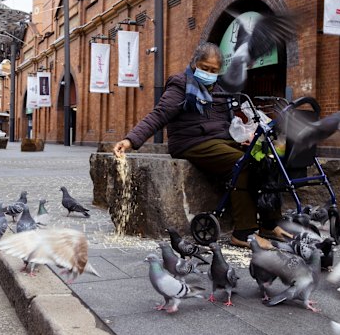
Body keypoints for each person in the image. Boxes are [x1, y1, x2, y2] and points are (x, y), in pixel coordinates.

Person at [113, 42, 292, 247]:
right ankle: (243, 233)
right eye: (204, 68)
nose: (208, 73)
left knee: (265, 159)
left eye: (213, 70)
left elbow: (229, 122)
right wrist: (130, 140)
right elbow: (159, 115)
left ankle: (269, 223)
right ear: (194, 63)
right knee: (242, 163)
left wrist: (243, 136)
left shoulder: (218, 89)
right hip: (191, 141)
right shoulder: (180, 85)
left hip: (220, 140)